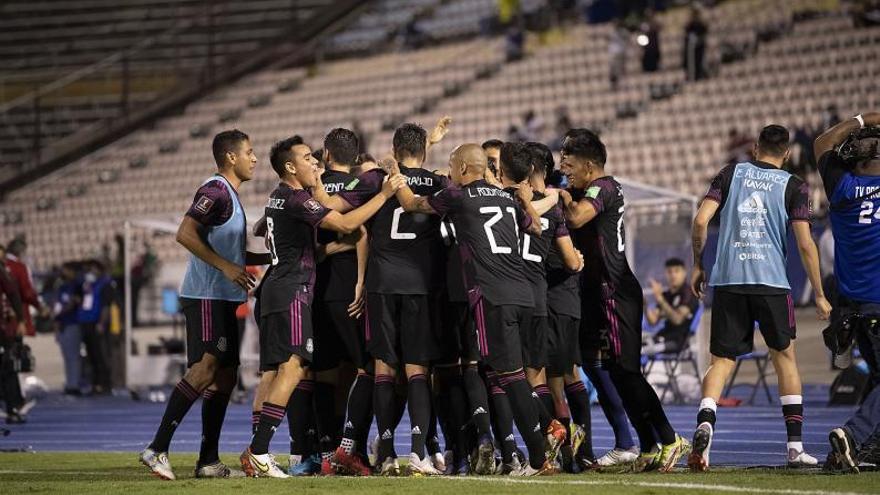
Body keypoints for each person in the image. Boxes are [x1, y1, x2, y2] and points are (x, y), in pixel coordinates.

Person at [240, 135, 403, 478]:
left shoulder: (277, 198)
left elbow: (282, 243)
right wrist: (386, 193)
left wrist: (327, 250)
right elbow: (346, 225)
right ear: (289, 166)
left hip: (277, 289)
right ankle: (259, 451)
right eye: (306, 158)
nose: (313, 163)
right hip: (292, 291)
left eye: (315, 158)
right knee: (294, 368)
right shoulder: (297, 199)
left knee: (278, 373)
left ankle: (272, 450)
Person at [396, 142, 558, 476]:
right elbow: (536, 227)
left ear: (466, 169)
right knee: (513, 376)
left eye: (454, 166)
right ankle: (544, 438)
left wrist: (396, 176)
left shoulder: (458, 196)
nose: (451, 171)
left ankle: (541, 456)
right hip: (523, 294)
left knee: (509, 378)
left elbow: (411, 204)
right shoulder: (506, 197)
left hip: (491, 294)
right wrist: (525, 198)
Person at [689, 124, 832, 471]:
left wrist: (698, 265)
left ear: (755, 148)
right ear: (786, 154)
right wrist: (820, 293)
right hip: (771, 284)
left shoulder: (731, 172)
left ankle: (706, 423)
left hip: (728, 281)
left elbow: (700, 221)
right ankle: (795, 447)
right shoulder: (794, 185)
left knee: (721, 361)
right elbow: (804, 244)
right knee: (784, 358)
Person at [312, 122, 450, 476]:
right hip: (421, 285)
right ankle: (419, 453)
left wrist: (312, 176)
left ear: (393, 146)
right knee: (417, 369)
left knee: (383, 369)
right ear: (423, 150)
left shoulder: (375, 181)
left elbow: (330, 204)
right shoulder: (437, 182)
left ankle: (385, 453)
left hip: (381, 285)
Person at [140, 129, 271, 480]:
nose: (254, 158)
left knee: (226, 378)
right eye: (250, 151)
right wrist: (227, 267)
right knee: (205, 369)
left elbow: (235, 251)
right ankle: (157, 448)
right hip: (206, 295)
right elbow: (185, 233)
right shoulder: (214, 190)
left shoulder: (230, 195)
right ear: (231, 157)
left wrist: (276, 253)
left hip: (224, 298)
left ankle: (208, 461)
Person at [559, 128, 688, 473]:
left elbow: (575, 217)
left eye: (568, 163)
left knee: (627, 371)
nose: (563, 168)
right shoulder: (579, 187)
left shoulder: (605, 186)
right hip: (595, 292)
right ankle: (646, 445)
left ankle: (670, 438)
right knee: (613, 372)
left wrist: (560, 195)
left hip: (614, 290)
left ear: (588, 165)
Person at [813, 111, 880, 473]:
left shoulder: (842, 187)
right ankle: (853, 436)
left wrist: (862, 119)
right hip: (878, 301)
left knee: (878, 377)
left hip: (852, 305)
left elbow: (822, 142)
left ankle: (863, 449)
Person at [523, 142, 589, 473]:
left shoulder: (525, 204)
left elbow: (567, 259)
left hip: (547, 299)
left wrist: (574, 262)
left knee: (552, 381)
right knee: (566, 375)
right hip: (567, 300)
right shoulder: (556, 203)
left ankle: (563, 449)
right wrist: (577, 262)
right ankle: (581, 453)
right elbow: (572, 260)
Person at [643, 258, 700, 356]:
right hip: (661, 337)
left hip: (677, 342)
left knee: (638, 351)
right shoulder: (666, 295)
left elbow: (677, 319)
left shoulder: (689, 294)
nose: (673, 275)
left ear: (684, 272)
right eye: (670, 272)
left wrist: (660, 299)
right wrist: (644, 304)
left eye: (677, 271)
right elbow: (652, 321)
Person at [76, 260, 114, 394]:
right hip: (86, 322)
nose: (90, 273)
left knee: (100, 355)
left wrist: (101, 323)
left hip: (97, 323)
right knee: (91, 355)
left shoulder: (105, 285)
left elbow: (106, 307)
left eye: (92, 269)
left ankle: (104, 384)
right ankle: (95, 383)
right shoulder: (89, 286)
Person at [0, 243, 27, 424]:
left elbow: (13, 294)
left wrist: (21, 320)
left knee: (7, 367)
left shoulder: (3, 273)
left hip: (2, 329)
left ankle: (12, 407)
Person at [53, 262, 83, 396]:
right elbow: (58, 304)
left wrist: (62, 312)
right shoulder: (62, 286)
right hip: (62, 324)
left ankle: (74, 384)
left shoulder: (77, 285)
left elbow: (74, 303)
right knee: (66, 356)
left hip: (72, 323)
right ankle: (69, 382)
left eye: (66, 270)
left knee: (73, 356)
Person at [683, 6, 708, 81]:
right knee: (690, 64)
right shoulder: (690, 24)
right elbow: (686, 33)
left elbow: (705, 33)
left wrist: (699, 39)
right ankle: (691, 77)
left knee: (699, 63)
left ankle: (700, 75)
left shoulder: (701, 24)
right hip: (691, 49)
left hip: (699, 48)